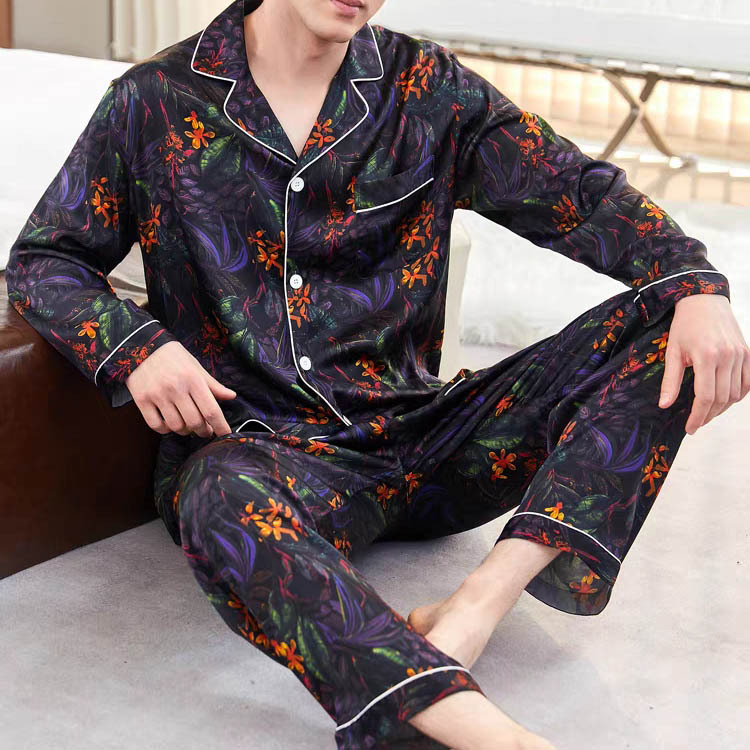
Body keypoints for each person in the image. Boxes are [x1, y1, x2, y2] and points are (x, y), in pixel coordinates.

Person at [6, 0, 749, 747]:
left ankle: (477, 605)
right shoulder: (154, 101)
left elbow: (578, 193)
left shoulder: (428, 88)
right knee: (214, 494)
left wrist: (697, 282)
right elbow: (45, 259)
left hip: (428, 437)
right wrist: (138, 348)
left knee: (675, 314)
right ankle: (477, 728)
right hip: (270, 454)